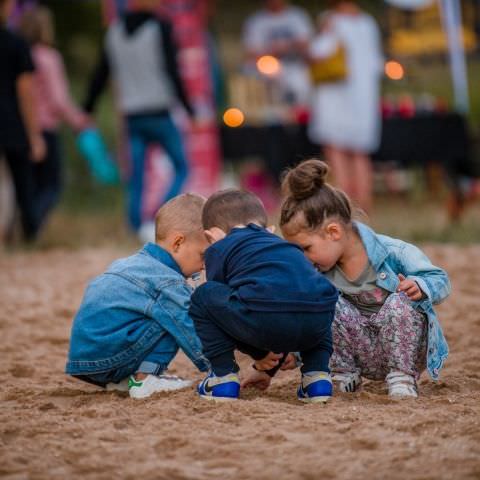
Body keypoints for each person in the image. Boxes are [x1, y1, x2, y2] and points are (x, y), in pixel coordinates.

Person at [280, 159, 450, 398]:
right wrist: (293, 353)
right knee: (324, 302)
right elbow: (308, 319)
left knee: (400, 299)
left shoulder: (393, 252)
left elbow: (440, 278)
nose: (304, 259)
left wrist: (420, 286)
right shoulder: (320, 272)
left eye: (306, 248)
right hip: (361, 350)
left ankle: (402, 377)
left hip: (404, 349)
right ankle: (343, 373)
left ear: (333, 232)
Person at [189, 189, 339, 403]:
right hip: (317, 318)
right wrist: (266, 370)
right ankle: (317, 379)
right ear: (269, 230)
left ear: (210, 236)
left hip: (265, 317)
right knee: (312, 297)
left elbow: (225, 314)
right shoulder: (285, 247)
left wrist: (258, 354)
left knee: (204, 296)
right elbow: (284, 304)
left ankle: (223, 379)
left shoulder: (220, 247)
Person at [66, 193, 210, 399]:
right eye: (203, 255)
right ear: (177, 242)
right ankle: (145, 379)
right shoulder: (167, 281)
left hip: (85, 356)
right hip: (109, 356)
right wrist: (219, 367)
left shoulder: (130, 263)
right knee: (175, 312)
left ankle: (124, 380)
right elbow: (191, 329)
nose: (205, 265)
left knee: (162, 308)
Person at [84, 0, 194, 236]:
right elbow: (172, 70)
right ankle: (160, 215)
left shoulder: (113, 31)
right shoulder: (160, 27)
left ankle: (135, 225)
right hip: (159, 112)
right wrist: (189, 108)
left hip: (133, 116)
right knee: (182, 166)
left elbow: (100, 74)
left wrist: (88, 108)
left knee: (136, 177)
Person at [18, 5, 90, 229]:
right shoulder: (49, 58)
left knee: (28, 186)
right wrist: (78, 120)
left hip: (20, 128)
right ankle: (32, 227)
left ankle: (24, 227)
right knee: (52, 185)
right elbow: (59, 100)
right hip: (45, 129)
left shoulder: (19, 55)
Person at [308, 1, 383, 212]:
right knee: (360, 153)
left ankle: (344, 203)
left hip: (336, 94)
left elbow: (319, 51)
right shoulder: (368, 23)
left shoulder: (332, 20)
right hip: (364, 96)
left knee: (336, 149)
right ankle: (364, 203)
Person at [0, 0, 45, 241]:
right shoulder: (16, 44)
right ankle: (29, 236)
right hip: (11, 124)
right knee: (22, 184)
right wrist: (34, 134)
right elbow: (25, 93)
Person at [242, 0, 314, 106]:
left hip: (295, 66)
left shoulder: (297, 16)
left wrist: (288, 46)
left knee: (300, 81)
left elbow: (307, 44)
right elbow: (251, 54)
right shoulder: (256, 21)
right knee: (250, 70)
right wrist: (273, 51)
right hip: (268, 68)